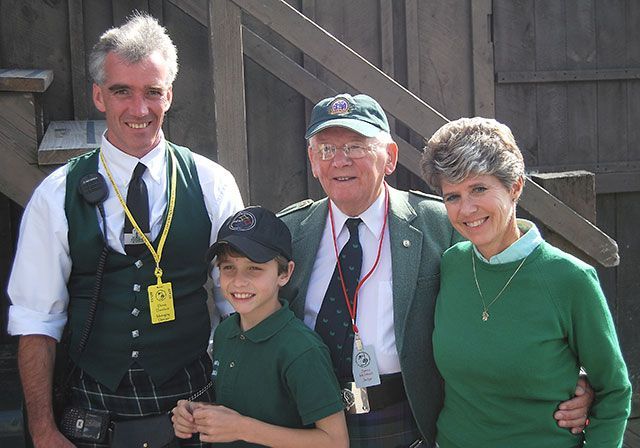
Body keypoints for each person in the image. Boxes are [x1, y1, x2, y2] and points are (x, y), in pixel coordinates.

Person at [278, 93, 594, 447]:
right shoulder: (288, 233)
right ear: (312, 160)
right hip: (305, 421)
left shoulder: (444, 222)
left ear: (391, 158)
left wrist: (569, 378)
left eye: (356, 146)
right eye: (326, 149)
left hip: (405, 421)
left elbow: (508, 290)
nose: (339, 161)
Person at [7, 14, 243, 448]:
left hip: (193, 412)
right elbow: (36, 321)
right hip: (90, 414)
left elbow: (240, 307)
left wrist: (242, 414)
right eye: (122, 91)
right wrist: (43, 432)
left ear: (169, 96)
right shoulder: (56, 195)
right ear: (99, 96)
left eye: (152, 92)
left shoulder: (213, 184)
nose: (139, 109)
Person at [421, 117, 631, 447]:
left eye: (478, 188)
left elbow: (615, 391)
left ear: (515, 186)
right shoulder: (452, 264)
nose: (467, 209)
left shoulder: (570, 279)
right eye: (453, 196)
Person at [171, 206, 348, 447]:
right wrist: (200, 415)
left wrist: (242, 428)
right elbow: (244, 411)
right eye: (228, 267)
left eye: (254, 268)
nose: (238, 281)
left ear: (284, 273)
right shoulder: (225, 333)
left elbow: (335, 442)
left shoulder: (301, 350)